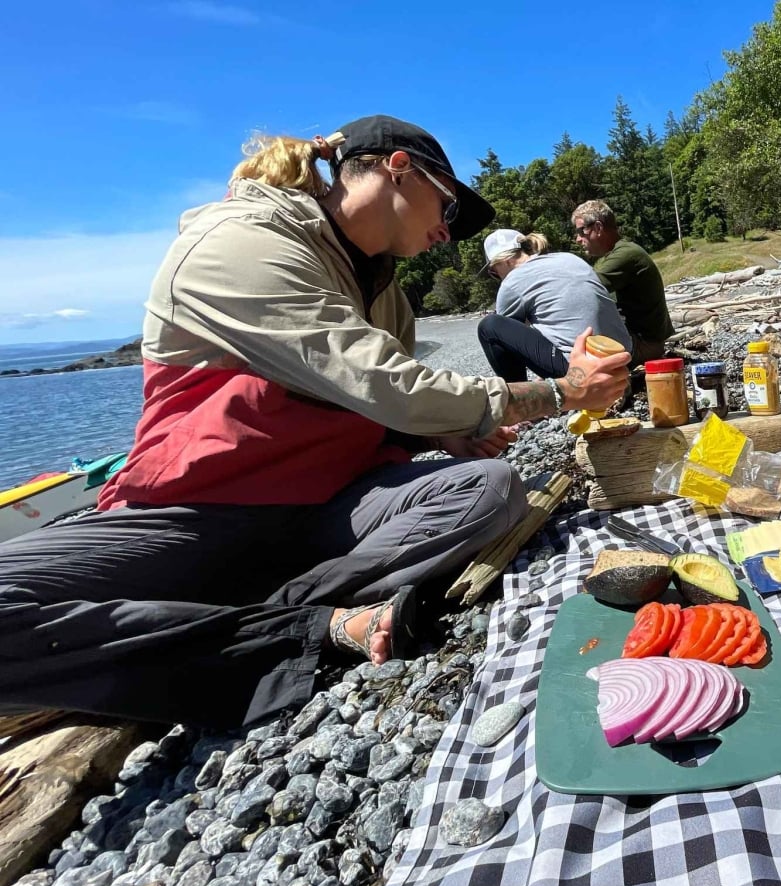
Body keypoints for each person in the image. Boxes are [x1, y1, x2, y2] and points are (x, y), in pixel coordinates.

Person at [0, 115, 631, 728]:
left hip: (329, 505)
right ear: (398, 169)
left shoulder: (386, 293)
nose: (447, 232)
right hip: (200, 512)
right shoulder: (242, 241)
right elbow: (385, 384)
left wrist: (436, 431)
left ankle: (238, 617)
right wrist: (561, 391)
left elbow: (368, 406)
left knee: (490, 488)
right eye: (447, 207)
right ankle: (303, 624)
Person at [474, 228, 634, 381]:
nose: (496, 277)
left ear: (505, 261)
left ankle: (521, 396)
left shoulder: (511, 282)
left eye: (493, 272)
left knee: (490, 326)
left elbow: (512, 340)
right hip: (624, 357)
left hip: (582, 368)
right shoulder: (569, 258)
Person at [571, 200, 675, 363]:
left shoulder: (625, 256)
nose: (578, 239)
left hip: (644, 346)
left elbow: (581, 291)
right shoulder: (615, 254)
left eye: (581, 231)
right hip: (641, 341)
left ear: (598, 228)